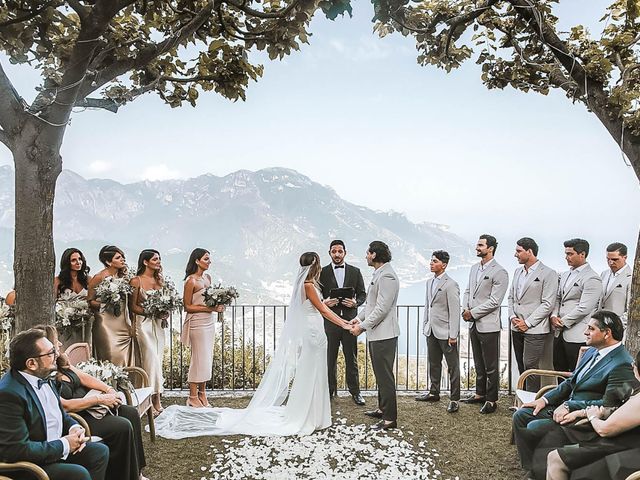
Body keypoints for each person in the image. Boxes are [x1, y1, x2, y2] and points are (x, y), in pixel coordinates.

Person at [154, 252, 351, 437]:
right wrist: (345, 323)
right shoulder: (308, 285)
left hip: (315, 330)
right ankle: (308, 415)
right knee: (311, 371)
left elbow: (321, 307)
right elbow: (323, 310)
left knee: (315, 371)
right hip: (313, 332)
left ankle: (313, 413)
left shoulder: (308, 284)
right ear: (314, 265)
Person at [512, 310, 637, 476]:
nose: (585, 332)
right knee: (520, 416)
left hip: (582, 418)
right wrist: (544, 400)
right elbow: (571, 382)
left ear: (607, 333)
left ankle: (542, 471)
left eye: (591, 329)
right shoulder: (593, 350)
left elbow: (609, 404)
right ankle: (533, 469)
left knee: (535, 427)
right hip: (564, 406)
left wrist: (569, 406)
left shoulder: (622, 363)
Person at [37, 324, 148, 480]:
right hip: (79, 415)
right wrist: (99, 399)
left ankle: (136, 472)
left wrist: (109, 390)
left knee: (130, 412)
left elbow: (84, 377)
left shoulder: (62, 362)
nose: (60, 344)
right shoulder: (46, 373)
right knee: (122, 426)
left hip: (93, 407)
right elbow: (64, 405)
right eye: (56, 341)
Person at [0, 329, 109, 480]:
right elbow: (17, 450)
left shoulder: (42, 376)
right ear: (31, 363)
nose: (57, 355)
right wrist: (64, 444)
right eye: (50, 353)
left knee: (99, 452)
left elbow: (60, 414)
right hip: (27, 466)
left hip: (52, 449)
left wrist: (74, 428)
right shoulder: (9, 394)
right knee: (78, 474)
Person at [544, 349, 640, 480]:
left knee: (556, 458)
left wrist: (592, 417)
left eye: (635, 362)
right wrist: (582, 412)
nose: (632, 364)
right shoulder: (635, 388)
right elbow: (616, 408)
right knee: (557, 449)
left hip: (625, 450)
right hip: (620, 441)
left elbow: (604, 430)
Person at [350, 240, 400, 430]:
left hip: (384, 335)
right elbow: (371, 305)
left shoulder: (387, 276)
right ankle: (382, 408)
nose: (366, 256)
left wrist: (362, 327)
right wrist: (358, 319)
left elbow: (382, 309)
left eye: (368, 253)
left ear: (374, 255)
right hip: (376, 334)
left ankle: (389, 419)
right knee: (380, 375)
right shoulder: (380, 273)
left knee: (385, 377)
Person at [460, 234, 508, 414]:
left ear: (491, 248)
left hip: (488, 325)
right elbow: (467, 291)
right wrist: (465, 308)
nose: (477, 248)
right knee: (478, 362)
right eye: (477, 245)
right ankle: (479, 393)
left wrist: (472, 313)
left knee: (491, 365)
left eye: (480, 245)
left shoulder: (500, 272)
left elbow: (495, 301)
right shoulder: (474, 268)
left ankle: (492, 399)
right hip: (473, 323)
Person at [319, 239, 366, 405]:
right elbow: (316, 296)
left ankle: (356, 392)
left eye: (340, 251)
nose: (337, 254)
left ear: (345, 252)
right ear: (329, 253)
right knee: (329, 359)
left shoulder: (355, 271)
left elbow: (362, 294)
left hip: (350, 321)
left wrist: (356, 303)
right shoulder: (322, 272)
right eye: (334, 251)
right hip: (330, 323)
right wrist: (325, 301)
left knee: (351, 359)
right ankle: (330, 392)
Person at [508, 237, 558, 392]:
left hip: (535, 329)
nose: (515, 254)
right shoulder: (517, 271)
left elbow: (548, 303)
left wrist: (528, 323)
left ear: (530, 252)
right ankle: (521, 399)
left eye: (518, 251)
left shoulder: (549, 273)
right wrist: (512, 317)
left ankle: (531, 402)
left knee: (531, 367)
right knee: (522, 366)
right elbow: (511, 298)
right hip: (516, 327)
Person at [416, 250, 461, 413]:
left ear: (444, 265)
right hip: (431, 331)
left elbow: (455, 311)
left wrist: (453, 334)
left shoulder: (451, 284)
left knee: (452, 366)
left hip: (446, 332)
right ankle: (434, 392)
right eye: (431, 261)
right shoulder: (429, 282)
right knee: (433, 363)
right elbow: (428, 306)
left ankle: (455, 399)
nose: (431, 263)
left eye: (434, 261)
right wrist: (425, 326)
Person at [551, 238, 602, 372]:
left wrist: (563, 322)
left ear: (582, 254)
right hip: (559, 333)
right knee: (559, 369)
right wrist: (554, 315)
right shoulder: (565, 274)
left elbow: (585, 307)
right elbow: (558, 298)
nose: (566, 257)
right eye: (566, 254)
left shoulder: (592, 277)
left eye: (570, 254)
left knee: (577, 371)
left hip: (578, 333)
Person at [182, 248, 223, 408]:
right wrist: (210, 309)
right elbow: (187, 306)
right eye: (206, 259)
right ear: (197, 261)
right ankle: (192, 396)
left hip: (208, 322)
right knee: (198, 359)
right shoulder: (191, 281)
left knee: (206, 359)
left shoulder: (208, 278)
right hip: (196, 323)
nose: (209, 261)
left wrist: (218, 305)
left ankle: (202, 394)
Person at [129, 249, 166, 414]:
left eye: (159, 259)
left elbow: (166, 302)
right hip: (143, 326)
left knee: (158, 360)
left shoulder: (161, 281)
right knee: (150, 361)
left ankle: (157, 399)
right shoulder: (136, 281)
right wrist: (149, 312)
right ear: (145, 262)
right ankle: (150, 400)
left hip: (158, 326)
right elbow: (133, 306)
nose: (158, 262)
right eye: (155, 259)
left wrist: (165, 312)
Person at [88, 245, 135, 367]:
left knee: (124, 358)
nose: (122, 260)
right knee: (110, 358)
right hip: (106, 324)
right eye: (118, 258)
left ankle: (123, 385)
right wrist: (106, 304)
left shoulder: (125, 277)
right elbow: (90, 301)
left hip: (123, 324)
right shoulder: (99, 277)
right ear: (108, 262)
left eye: (123, 257)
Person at [54, 248, 93, 348]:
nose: (78, 262)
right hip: (66, 324)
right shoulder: (58, 281)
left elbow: (93, 299)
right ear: (67, 263)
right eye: (73, 260)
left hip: (85, 322)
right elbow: (53, 302)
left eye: (80, 259)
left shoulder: (88, 280)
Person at [599, 242, 632, 326]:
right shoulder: (604, 274)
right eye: (608, 259)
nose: (610, 262)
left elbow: (631, 310)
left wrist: (615, 324)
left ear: (625, 257)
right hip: (599, 326)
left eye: (614, 259)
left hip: (618, 328)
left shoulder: (631, 278)